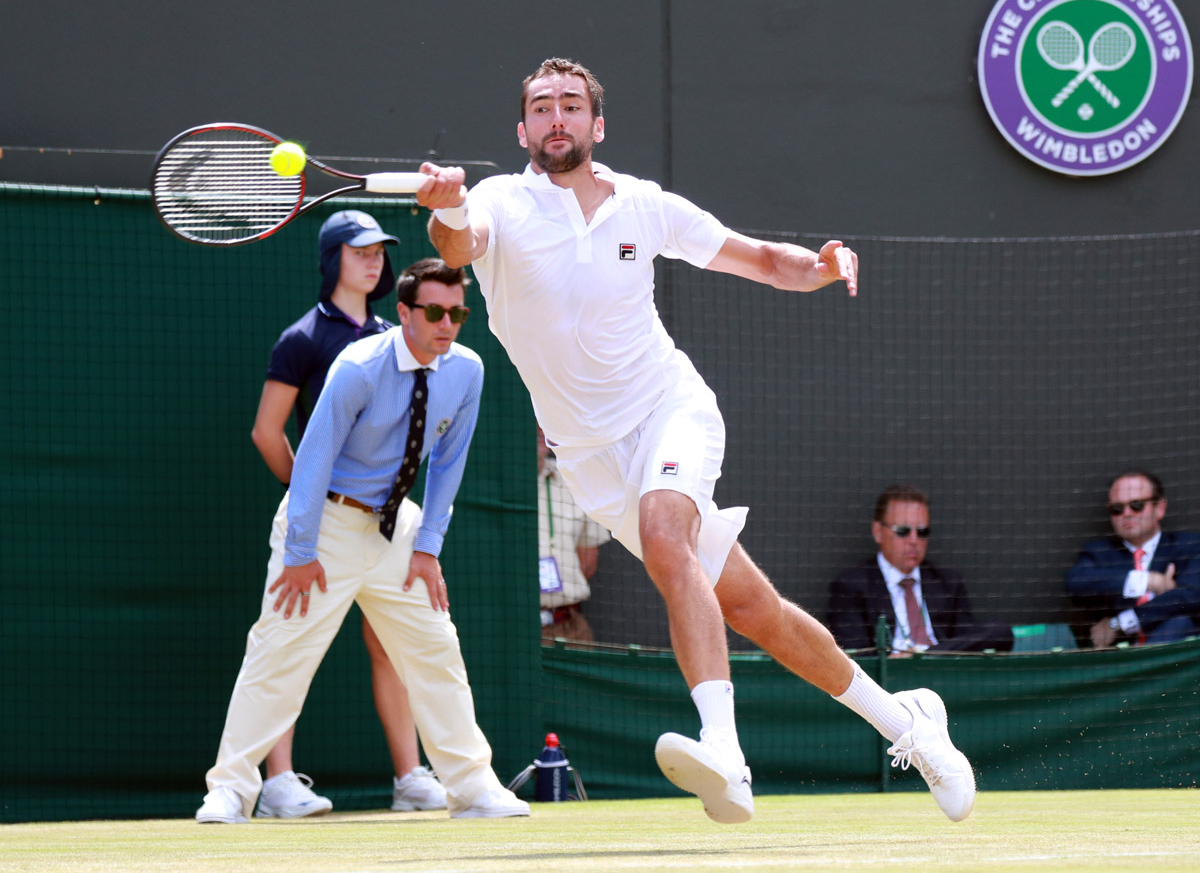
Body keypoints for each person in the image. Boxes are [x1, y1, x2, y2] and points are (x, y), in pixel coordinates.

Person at [416, 57, 976, 824]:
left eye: (571, 104)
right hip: (591, 459)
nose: (557, 117)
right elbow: (457, 246)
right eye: (542, 106)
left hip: (668, 410)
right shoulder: (496, 204)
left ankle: (725, 753)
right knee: (754, 609)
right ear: (522, 130)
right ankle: (908, 722)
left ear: (596, 124)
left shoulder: (644, 205)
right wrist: (446, 207)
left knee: (664, 534)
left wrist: (818, 266)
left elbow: (763, 260)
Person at [196, 258, 529, 823]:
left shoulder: (467, 370)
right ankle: (229, 789)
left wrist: (428, 547)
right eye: (434, 312)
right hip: (323, 527)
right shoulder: (358, 366)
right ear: (404, 312)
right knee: (278, 655)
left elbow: (449, 462)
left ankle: (473, 787)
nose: (447, 324)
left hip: (398, 528)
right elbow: (313, 459)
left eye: (458, 314)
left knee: (437, 650)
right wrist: (301, 552)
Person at [248, 210, 446, 818]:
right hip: (322, 525)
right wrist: (310, 496)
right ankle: (277, 784)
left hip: (386, 522)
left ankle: (410, 778)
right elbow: (267, 432)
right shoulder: (303, 339)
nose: (373, 260)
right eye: (359, 251)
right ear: (332, 258)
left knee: (395, 642)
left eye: (379, 251)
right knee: (289, 645)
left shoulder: (398, 338)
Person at [827, 485, 1014, 655]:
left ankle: (923, 655)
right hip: (889, 675)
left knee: (999, 631)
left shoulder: (947, 582)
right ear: (878, 532)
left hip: (943, 670)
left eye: (922, 532)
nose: (914, 540)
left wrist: (922, 655)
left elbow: (967, 644)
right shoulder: (852, 586)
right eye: (903, 531)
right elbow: (854, 656)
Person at [1066, 469, 1200, 648]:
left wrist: (1119, 623)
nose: (1127, 513)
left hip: (1174, 653)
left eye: (1137, 505)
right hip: (1118, 655)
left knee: (1180, 622)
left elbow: (1192, 596)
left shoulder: (1190, 546)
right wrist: (1147, 581)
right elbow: (1077, 583)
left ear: (1159, 508)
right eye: (1117, 509)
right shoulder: (1099, 552)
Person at [538, 426, 611, 643]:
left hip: (567, 627)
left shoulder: (575, 479)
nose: (540, 428)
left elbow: (587, 561)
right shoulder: (491, 484)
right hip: (509, 630)